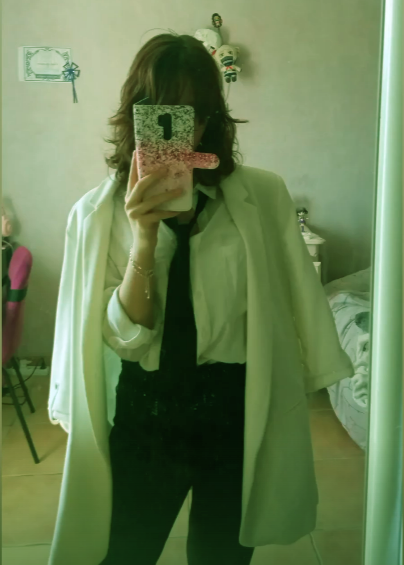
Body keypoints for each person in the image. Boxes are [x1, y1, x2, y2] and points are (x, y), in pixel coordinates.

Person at [47, 31, 354, 565]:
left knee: (222, 557)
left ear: (212, 119)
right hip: (146, 416)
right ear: (135, 117)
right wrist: (144, 238)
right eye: (161, 112)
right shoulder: (95, 216)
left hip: (233, 416)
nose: (177, 129)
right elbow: (126, 337)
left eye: (191, 113)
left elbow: (294, 301)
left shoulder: (262, 196)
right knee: (122, 553)